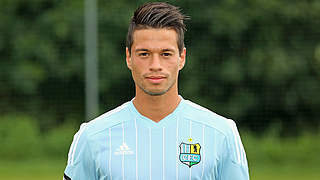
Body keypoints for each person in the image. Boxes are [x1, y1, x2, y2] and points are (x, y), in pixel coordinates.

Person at [63, 2, 249, 180]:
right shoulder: (92, 137)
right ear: (129, 57)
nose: (155, 65)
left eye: (165, 54)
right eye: (144, 54)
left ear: (182, 57)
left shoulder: (221, 133)